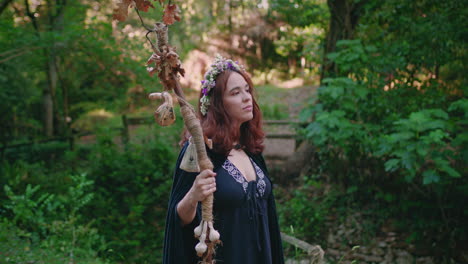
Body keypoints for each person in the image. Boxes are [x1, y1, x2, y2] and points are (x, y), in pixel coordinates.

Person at [163, 55, 285, 264]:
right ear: (217, 104)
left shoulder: (251, 150)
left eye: (247, 90)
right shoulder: (200, 152)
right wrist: (193, 196)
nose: (247, 97)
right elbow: (178, 220)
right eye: (235, 93)